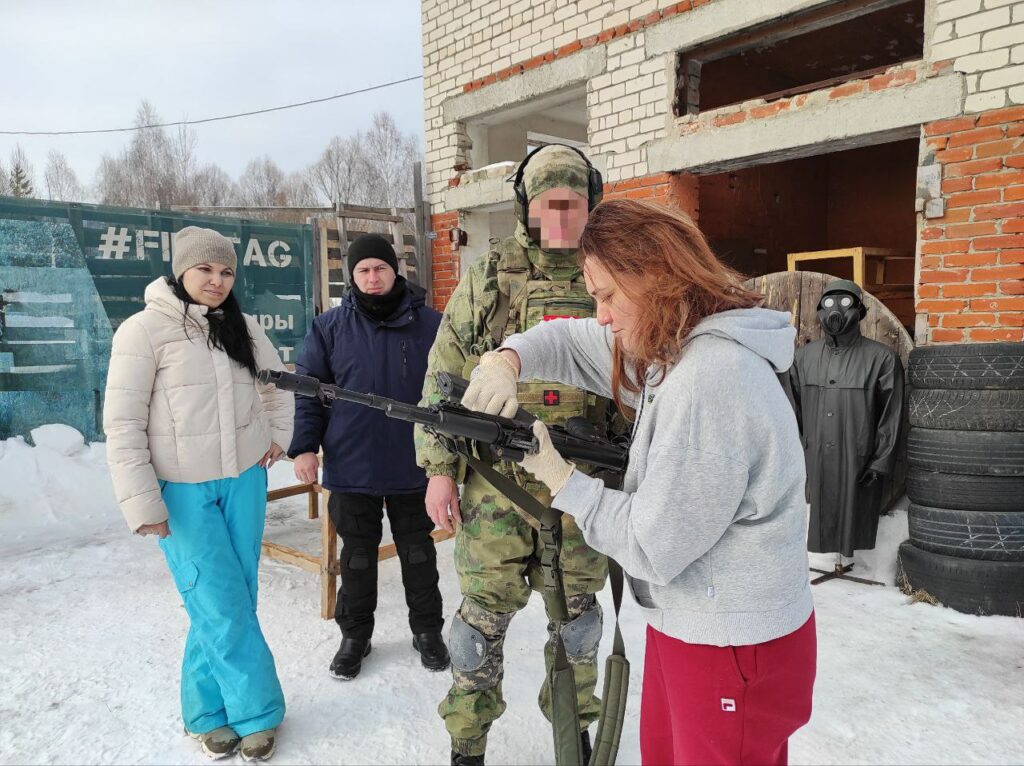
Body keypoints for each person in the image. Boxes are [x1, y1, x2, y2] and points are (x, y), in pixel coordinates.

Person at [460, 199, 818, 766]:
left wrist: (562, 480)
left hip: (732, 644)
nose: (600, 315)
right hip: (694, 624)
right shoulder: (671, 345)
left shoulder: (710, 380)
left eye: (606, 296)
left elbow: (653, 546)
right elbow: (572, 339)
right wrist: (507, 358)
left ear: (655, 276)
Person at [416, 144, 614, 766]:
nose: (559, 218)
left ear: (592, 204)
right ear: (526, 206)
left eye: (572, 203)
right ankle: (467, 744)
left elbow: (643, 370)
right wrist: (439, 472)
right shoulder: (491, 274)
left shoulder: (610, 270)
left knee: (578, 629)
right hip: (495, 488)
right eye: (547, 203)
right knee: (478, 630)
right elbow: (442, 374)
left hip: (583, 490)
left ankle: (573, 734)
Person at [104, 226, 293, 762]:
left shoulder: (241, 326)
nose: (216, 280)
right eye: (205, 270)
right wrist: (142, 501)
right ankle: (257, 711)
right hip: (182, 490)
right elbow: (122, 423)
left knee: (234, 597)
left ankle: (205, 711)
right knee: (215, 599)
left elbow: (278, 384)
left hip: (243, 482)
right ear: (180, 271)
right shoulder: (142, 331)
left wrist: (277, 437)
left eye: (226, 271)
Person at [289, 233, 449, 681]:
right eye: (363, 270)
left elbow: (451, 394)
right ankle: (355, 637)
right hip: (351, 465)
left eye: (380, 268)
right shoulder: (329, 328)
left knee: (418, 555)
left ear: (396, 271)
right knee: (356, 558)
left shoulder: (431, 325)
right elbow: (308, 393)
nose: (373, 277)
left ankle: (427, 632)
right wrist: (305, 446)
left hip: (413, 464)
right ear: (351, 277)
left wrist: (451, 462)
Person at [787, 279, 904, 557]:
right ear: (819, 310)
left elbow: (892, 415)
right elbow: (791, 412)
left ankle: (846, 557)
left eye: (844, 302)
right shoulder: (802, 358)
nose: (835, 311)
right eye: (828, 303)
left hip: (858, 459)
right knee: (818, 512)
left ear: (859, 311)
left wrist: (880, 461)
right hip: (814, 459)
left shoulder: (882, 359)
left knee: (854, 513)